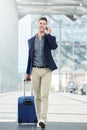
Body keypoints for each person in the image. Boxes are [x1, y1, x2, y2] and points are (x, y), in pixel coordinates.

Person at [26, 17, 58, 128]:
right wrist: (27, 73)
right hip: (34, 70)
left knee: (45, 95)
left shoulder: (49, 38)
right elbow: (29, 58)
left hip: (46, 70)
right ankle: (39, 118)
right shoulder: (31, 41)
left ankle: (43, 118)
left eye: (44, 24)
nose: (42, 25)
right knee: (37, 96)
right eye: (40, 23)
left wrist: (49, 34)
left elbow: (54, 46)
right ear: (37, 25)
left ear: (46, 26)